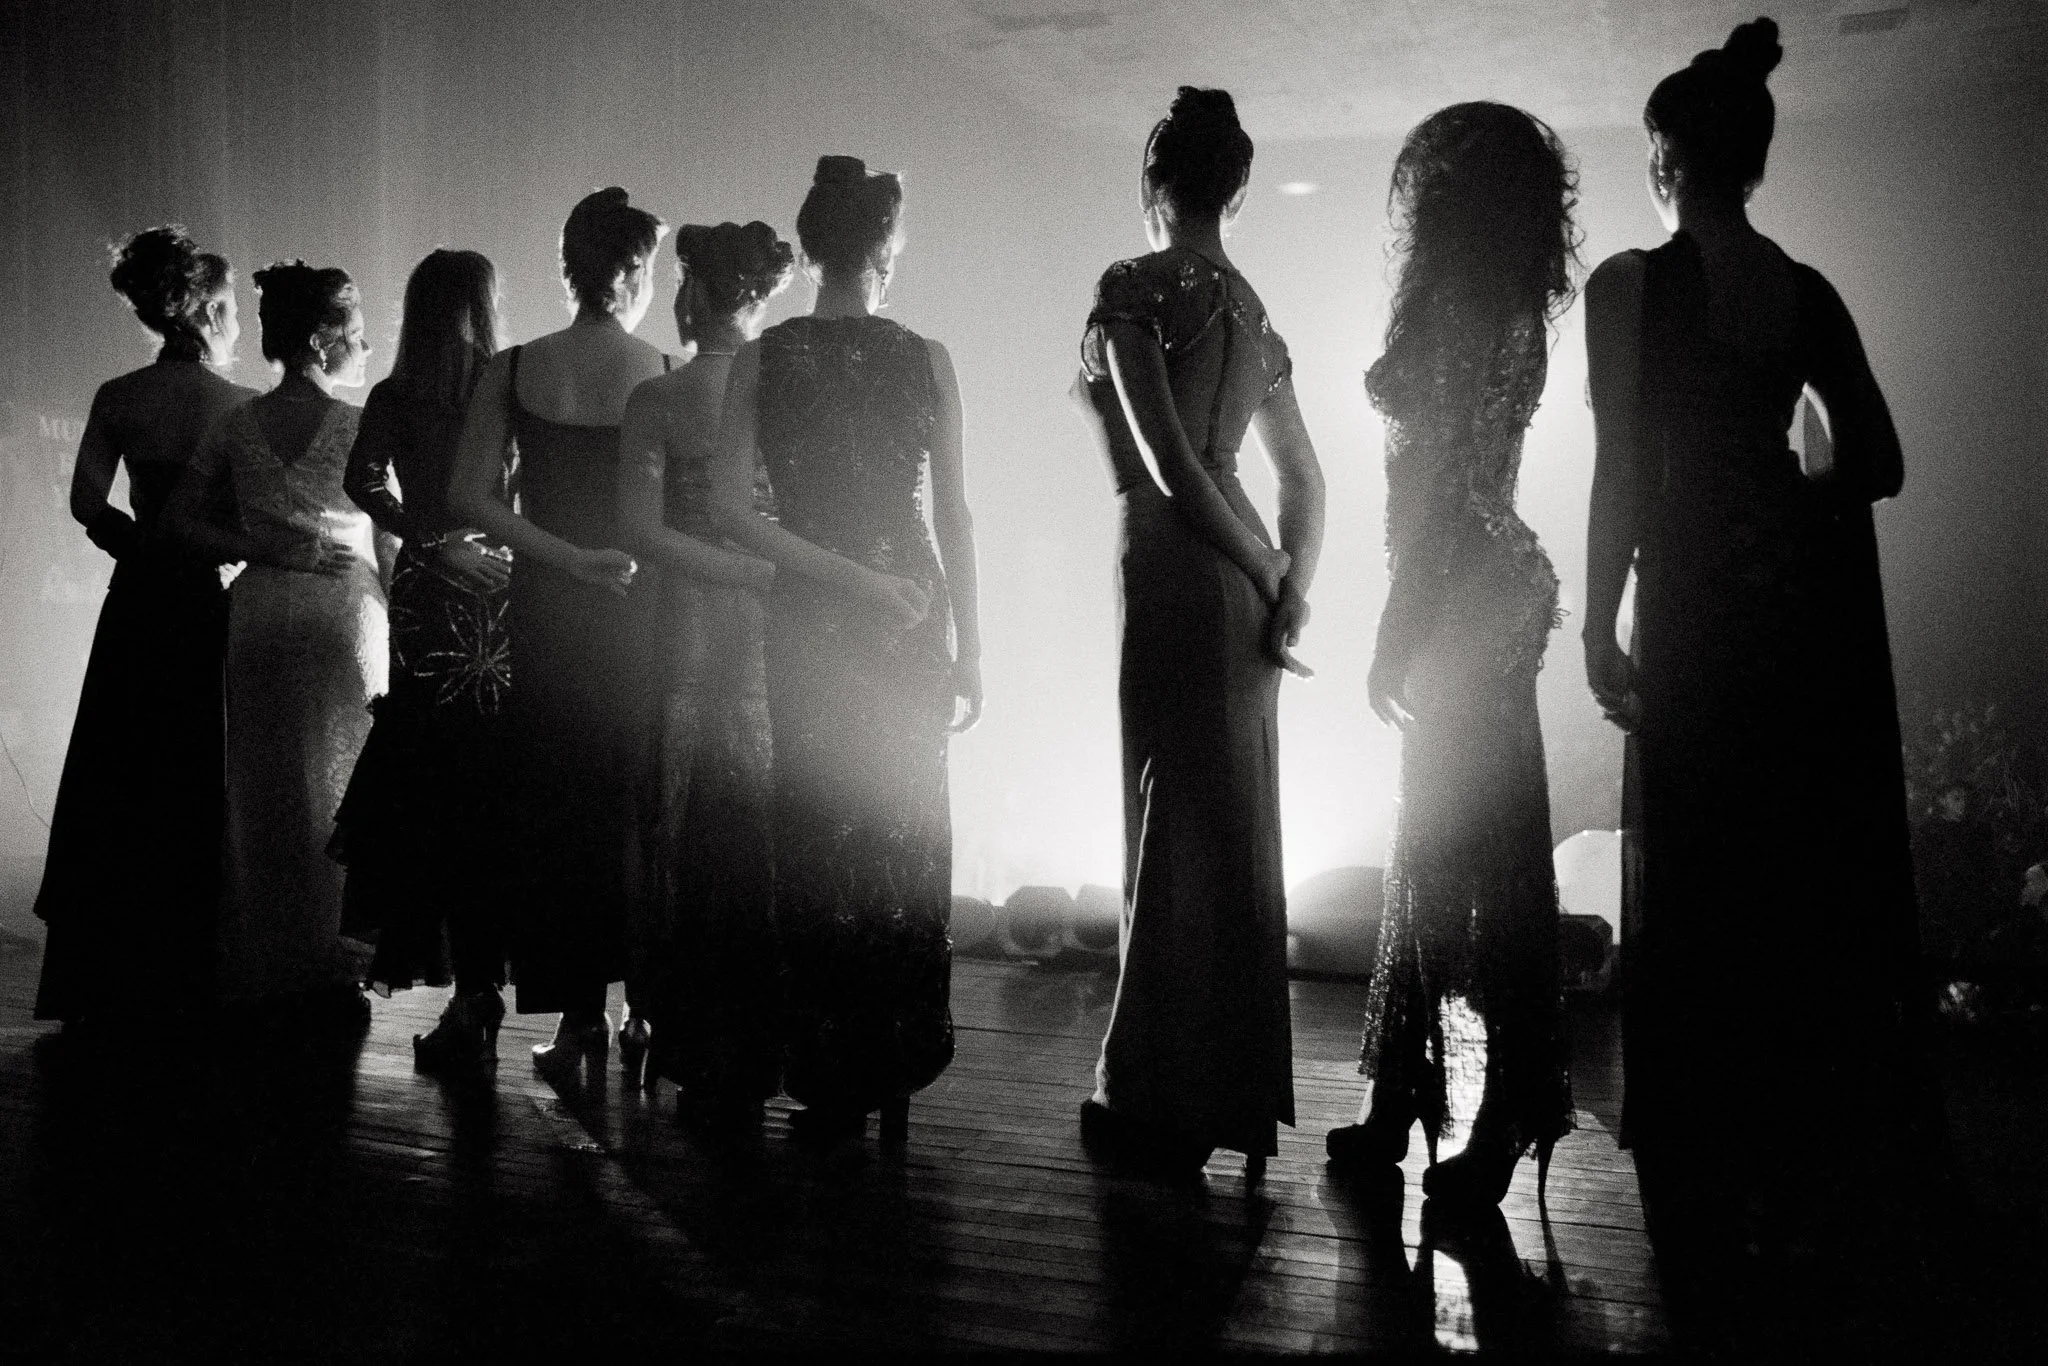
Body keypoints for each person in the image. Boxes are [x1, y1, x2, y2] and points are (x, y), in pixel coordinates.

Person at [1583, 17, 1938, 1345]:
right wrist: (1785, 490)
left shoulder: (1628, 287)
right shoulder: (1809, 293)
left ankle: (1702, 1163)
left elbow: (1621, 462)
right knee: (1783, 882)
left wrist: (1599, 619)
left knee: (1691, 873)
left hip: (1687, 615)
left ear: (1669, 160)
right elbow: (1884, 462)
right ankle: (1791, 1158)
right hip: (1787, 627)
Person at [1325, 102, 1580, 1207]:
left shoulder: (1470, 304)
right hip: (1483, 582)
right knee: (1455, 854)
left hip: (1461, 587)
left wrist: (1394, 622)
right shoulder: (1504, 303)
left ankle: (1496, 1102)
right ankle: (1406, 1102)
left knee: (1465, 863)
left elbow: (1445, 487)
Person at [1073, 88, 1327, 1183]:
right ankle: (1217, 1093)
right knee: (1229, 828)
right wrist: (1287, 578)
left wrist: (1262, 565)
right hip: (1245, 576)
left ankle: (1151, 1097)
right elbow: (1307, 479)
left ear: (1151, 178)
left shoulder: (1133, 290)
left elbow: (1171, 468)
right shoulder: (1254, 314)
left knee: (1163, 821)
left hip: (1177, 566)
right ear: (1234, 187)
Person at [711, 156, 983, 1148]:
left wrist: (840, 578)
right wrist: (972, 649)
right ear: (885, 247)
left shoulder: (765, 355)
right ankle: (891, 1066)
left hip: (818, 622)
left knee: (820, 832)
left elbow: (727, 510)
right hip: (907, 614)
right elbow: (952, 513)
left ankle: (829, 1071)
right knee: (897, 839)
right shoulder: (926, 355)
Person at [449, 188, 665, 1079]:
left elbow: (468, 496)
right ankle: (645, 1016)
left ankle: (578, 1021)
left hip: (545, 609)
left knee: (563, 811)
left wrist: (559, 559)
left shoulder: (513, 367)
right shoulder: (662, 366)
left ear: (569, 266)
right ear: (639, 270)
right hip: (638, 607)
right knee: (637, 800)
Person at [32, 226, 253, 1034]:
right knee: (198, 765)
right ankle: (192, 962)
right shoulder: (239, 407)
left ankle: (109, 967)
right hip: (201, 601)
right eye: (231, 310)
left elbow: (88, 503)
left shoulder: (119, 394)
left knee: (121, 765)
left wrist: (145, 544)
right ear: (210, 307)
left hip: (137, 603)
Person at [164, 260, 384, 1022]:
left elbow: (178, 521)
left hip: (257, 613)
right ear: (322, 340)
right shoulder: (359, 427)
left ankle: (269, 950)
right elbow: (388, 542)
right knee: (341, 788)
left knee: (264, 790)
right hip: (341, 616)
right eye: (354, 332)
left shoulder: (236, 425)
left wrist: (261, 548)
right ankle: (337, 956)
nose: (366, 343)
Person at [617, 222, 791, 1120]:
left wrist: (722, 568)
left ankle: (677, 1029)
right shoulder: (784, 390)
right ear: (761, 296)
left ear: (693, 293)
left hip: (683, 618)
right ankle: (758, 1037)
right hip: (768, 625)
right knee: (758, 821)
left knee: (681, 818)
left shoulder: (661, 397)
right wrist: (768, 574)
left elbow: (640, 533)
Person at [333, 248, 512, 1070]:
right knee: (488, 788)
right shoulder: (505, 381)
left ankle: (465, 993)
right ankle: (484, 986)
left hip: (429, 593)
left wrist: (432, 541)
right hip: (502, 589)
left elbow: (362, 481)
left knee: (432, 787)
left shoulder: (395, 392)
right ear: (484, 303)